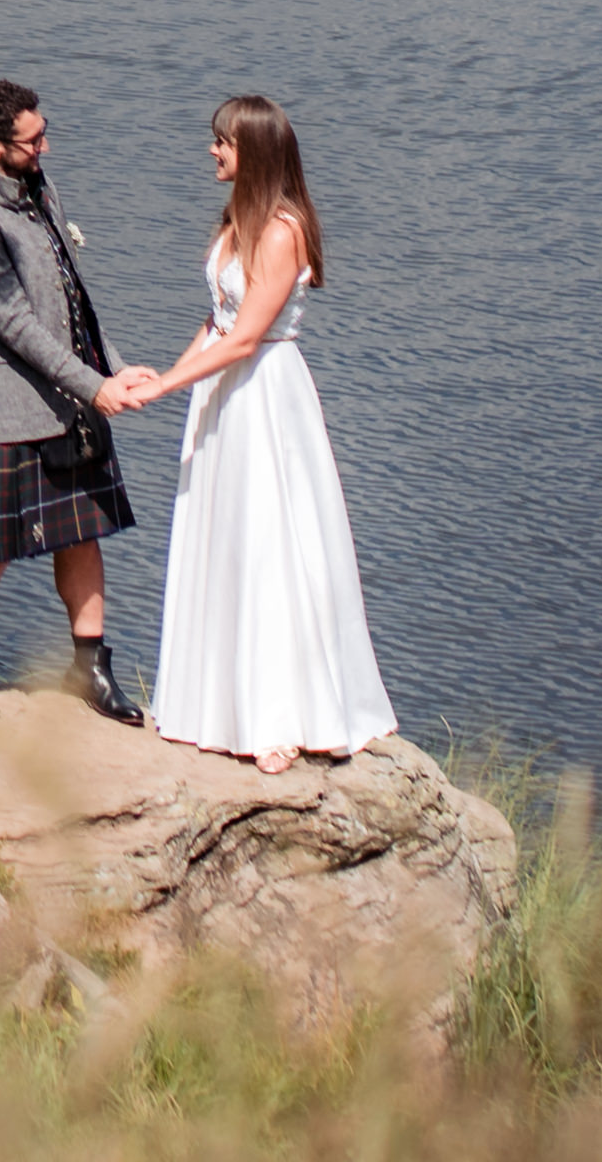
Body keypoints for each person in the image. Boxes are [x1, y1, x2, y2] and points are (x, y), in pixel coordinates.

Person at [105, 94, 395, 763]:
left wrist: (174, 386)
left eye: (224, 142)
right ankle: (218, 707)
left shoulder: (282, 230)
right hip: (224, 397)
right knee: (227, 541)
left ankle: (283, 722)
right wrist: (162, 379)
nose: (213, 151)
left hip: (265, 396)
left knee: (271, 546)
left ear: (255, 152)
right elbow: (215, 320)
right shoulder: (235, 222)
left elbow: (245, 340)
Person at [0, 77, 152, 723]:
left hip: (69, 401)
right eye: (33, 141)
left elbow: (70, 297)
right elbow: (17, 326)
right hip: (6, 410)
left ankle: (90, 670)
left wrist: (111, 367)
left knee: (84, 535)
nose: (45, 146)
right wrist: (95, 387)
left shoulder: (37, 193)